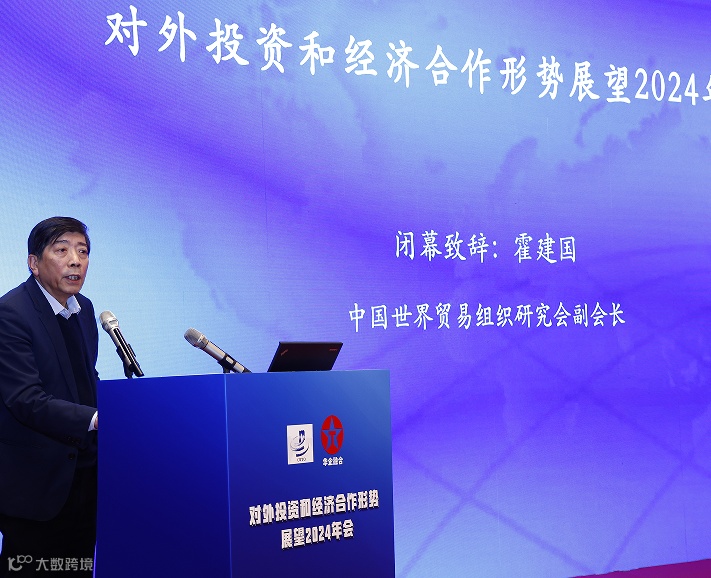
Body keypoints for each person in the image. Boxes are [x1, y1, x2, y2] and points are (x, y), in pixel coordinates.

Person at [0, 217, 99, 576]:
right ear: (34, 262)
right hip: (36, 487)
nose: (75, 260)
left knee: (78, 568)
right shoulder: (11, 313)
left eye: (82, 252)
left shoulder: (84, 309)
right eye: (62, 250)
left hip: (85, 477)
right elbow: (26, 399)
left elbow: (85, 380)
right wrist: (94, 419)